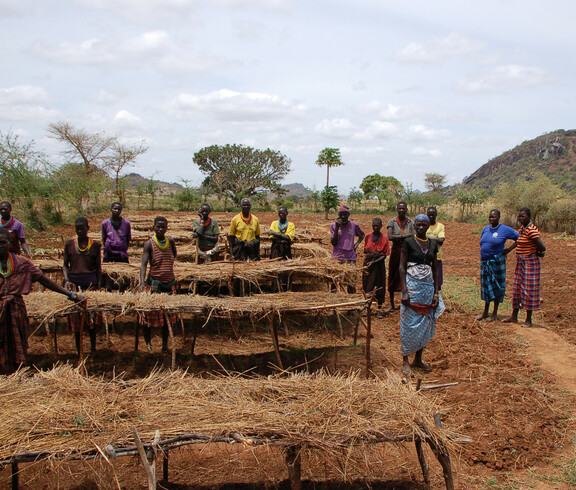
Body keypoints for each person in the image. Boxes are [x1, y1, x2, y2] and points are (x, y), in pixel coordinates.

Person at [0, 227, 84, 374]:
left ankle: (15, 374)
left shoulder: (22, 264)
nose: (0, 246)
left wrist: (71, 295)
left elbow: (44, 280)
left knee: (16, 341)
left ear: (10, 243)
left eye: (3, 242)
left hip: (15, 311)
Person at [399, 214, 444, 376]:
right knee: (408, 323)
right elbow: (402, 267)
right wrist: (404, 290)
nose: (420, 228)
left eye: (424, 225)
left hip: (427, 289)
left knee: (425, 323)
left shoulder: (432, 244)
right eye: (418, 225)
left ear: (428, 227)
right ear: (414, 226)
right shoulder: (408, 242)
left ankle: (418, 359)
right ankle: (405, 360)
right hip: (412, 288)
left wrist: (436, 292)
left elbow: (435, 269)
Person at [63, 217, 102, 353]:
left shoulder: (95, 246)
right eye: (77, 229)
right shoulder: (69, 245)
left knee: (91, 317)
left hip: (91, 285)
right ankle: (78, 348)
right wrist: (67, 280)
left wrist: (100, 286)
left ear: (88, 229)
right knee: (76, 318)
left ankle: (93, 347)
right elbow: (65, 265)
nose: (79, 231)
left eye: (82, 229)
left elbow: (98, 268)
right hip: (74, 285)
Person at [503, 207, 546, 327]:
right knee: (517, 288)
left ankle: (528, 320)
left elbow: (542, 247)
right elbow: (519, 241)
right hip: (521, 262)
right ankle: (514, 316)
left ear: (529, 217)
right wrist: (509, 250)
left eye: (523, 216)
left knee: (528, 290)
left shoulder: (532, 230)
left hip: (530, 263)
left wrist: (537, 252)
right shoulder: (523, 228)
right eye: (519, 216)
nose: (520, 218)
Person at [139, 216, 177, 352]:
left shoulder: (170, 242)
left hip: (169, 283)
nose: (160, 229)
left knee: (168, 317)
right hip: (154, 284)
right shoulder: (149, 244)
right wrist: (142, 282)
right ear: (153, 227)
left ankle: (164, 345)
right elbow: (143, 264)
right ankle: (149, 346)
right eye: (158, 226)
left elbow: (174, 255)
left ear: (167, 227)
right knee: (148, 316)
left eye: (163, 226)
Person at [477, 209, 519, 321]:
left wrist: (508, 250)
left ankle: (495, 313)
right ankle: (485, 312)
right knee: (486, 287)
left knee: (497, 287)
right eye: (490, 217)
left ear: (499, 217)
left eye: (494, 217)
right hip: (485, 263)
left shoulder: (504, 229)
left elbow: (519, 238)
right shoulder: (485, 229)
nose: (491, 219)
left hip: (496, 262)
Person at [387, 202, 414, 311]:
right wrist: (405, 236)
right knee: (393, 274)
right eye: (400, 208)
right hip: (396, 251)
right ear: (397, 209)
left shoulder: (411, 222)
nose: (401, 210)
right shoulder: (392, 221)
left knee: (408, 275)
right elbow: (390, 236)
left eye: (403, 209)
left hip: (408, 251)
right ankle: (392, 304)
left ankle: (407, 302)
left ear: (406, 209)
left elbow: (414, 235)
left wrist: (398, 237)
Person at [362, 217, 390, 316]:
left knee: (380, 285)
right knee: (366, 284)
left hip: (378, 265)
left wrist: (374, 262)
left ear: (381, 226)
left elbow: (384, 255)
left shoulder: (385, 238)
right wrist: (369, 262)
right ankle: (367, 308)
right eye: (374, 225)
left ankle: (379, 308)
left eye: (377, 225)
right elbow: (366, 251)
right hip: (368, 264)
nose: (375, 227)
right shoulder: (368, 236)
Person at [426, 207, 446, 290]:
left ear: (436, 215)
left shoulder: (440, 226)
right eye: (429, 215)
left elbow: (441, 240)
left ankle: (437, 298)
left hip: (436, 256)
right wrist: (435, 239)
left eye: (433, 215)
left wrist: (426, 237)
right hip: (425, 257)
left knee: (437, 282)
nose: (431, 217)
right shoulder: (423, 225)